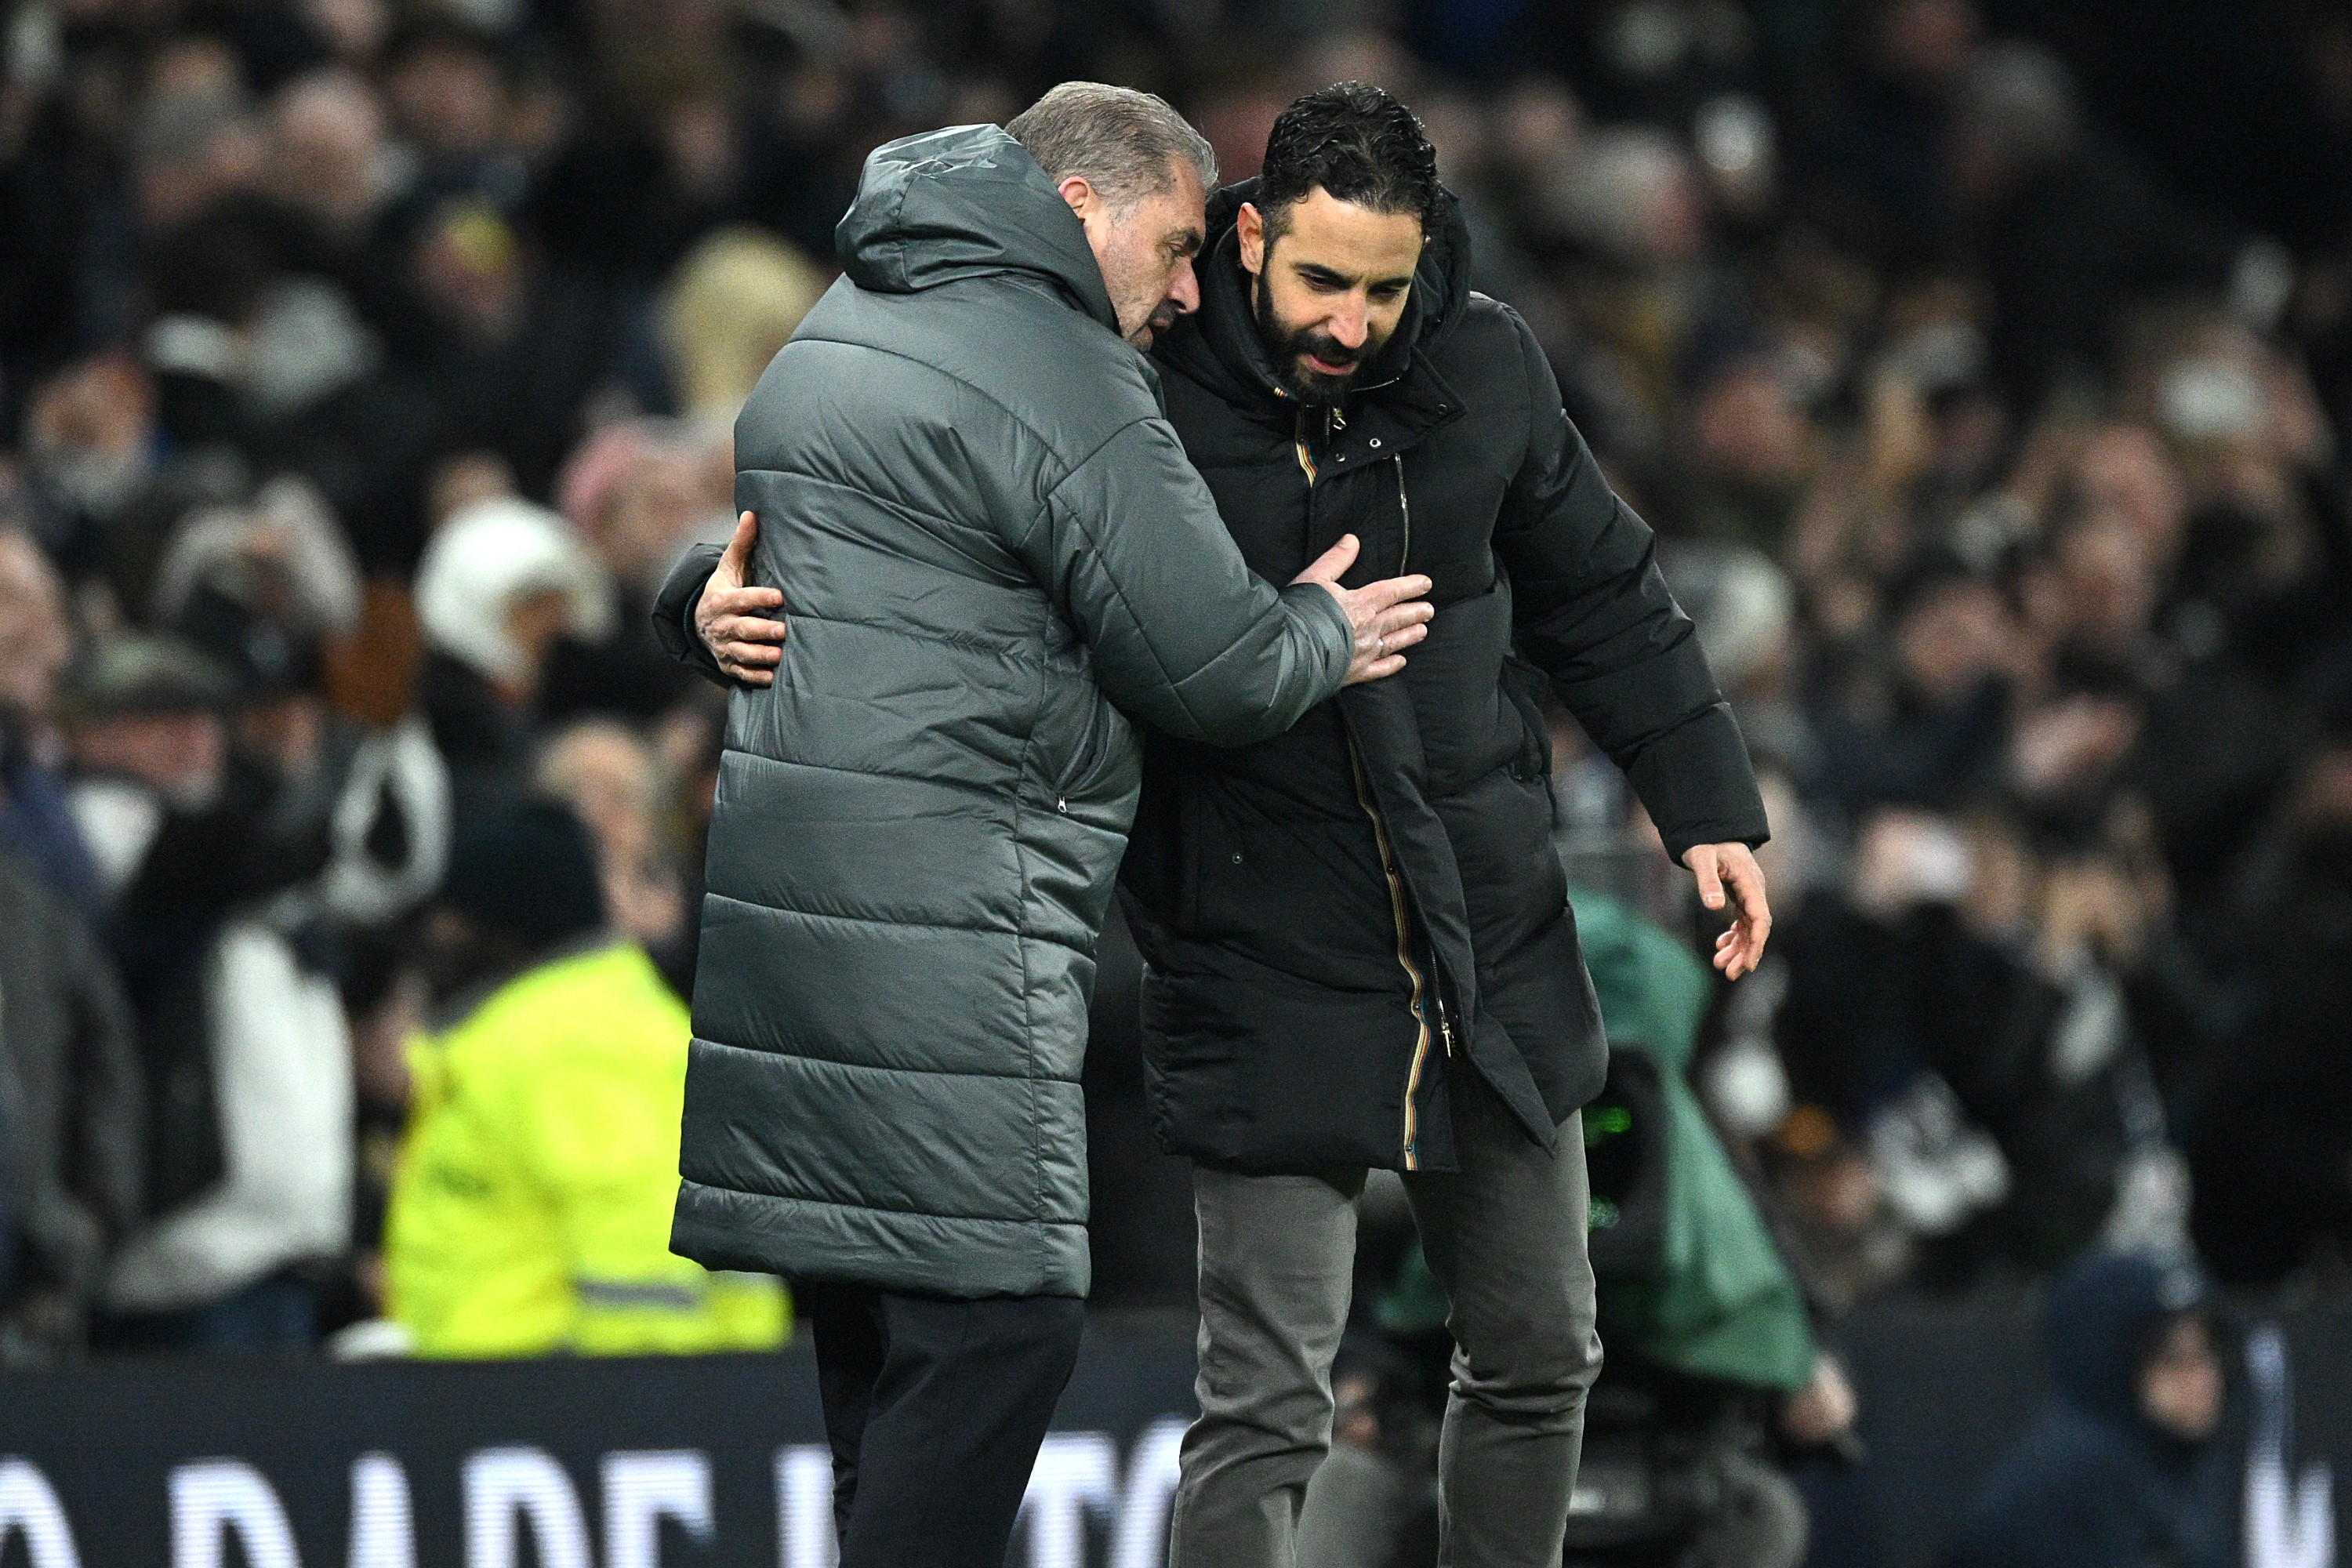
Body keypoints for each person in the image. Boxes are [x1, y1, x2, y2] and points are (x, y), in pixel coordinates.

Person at [690, 83, 1774, 1568]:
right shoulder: (1129, 373)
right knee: (1267, 1398)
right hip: (1257, 943)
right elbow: (964, 548)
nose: (1352, 321)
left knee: (1541, 1353)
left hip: (1488, 933)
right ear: (1251, 236)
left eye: (1386, 289)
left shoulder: (1486, 366)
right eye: (1320, 280)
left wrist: (1704, 803)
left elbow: (1601, 591)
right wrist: (707, 584)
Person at [648, 82, 1433, 1568]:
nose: (1194, 288)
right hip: (945, 920)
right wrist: (1323, 627)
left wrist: (688, 590)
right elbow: (1213, 665)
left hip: (795, 930)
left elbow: (790, 544)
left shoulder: (850, 311)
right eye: (1182, 245)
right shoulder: (1056, 362)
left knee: (886, 1351)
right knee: (1000, 1326)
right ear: (1084, 207)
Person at [383, 800, 786, 1356]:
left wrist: (621, 1416)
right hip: (667, 1402)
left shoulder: (553, 1042)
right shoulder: (633, 1019)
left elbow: (638, 1250)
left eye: (451, 918)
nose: (437, 937)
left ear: (500, 920)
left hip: (546, 1404)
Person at [1945, 1250, 2230, 1568]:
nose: (2204, 1380)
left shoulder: (2174, 1463)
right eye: (2174, 1361)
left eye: (2208, 1354)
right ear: (2114, 1368)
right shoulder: (2072, 1487)